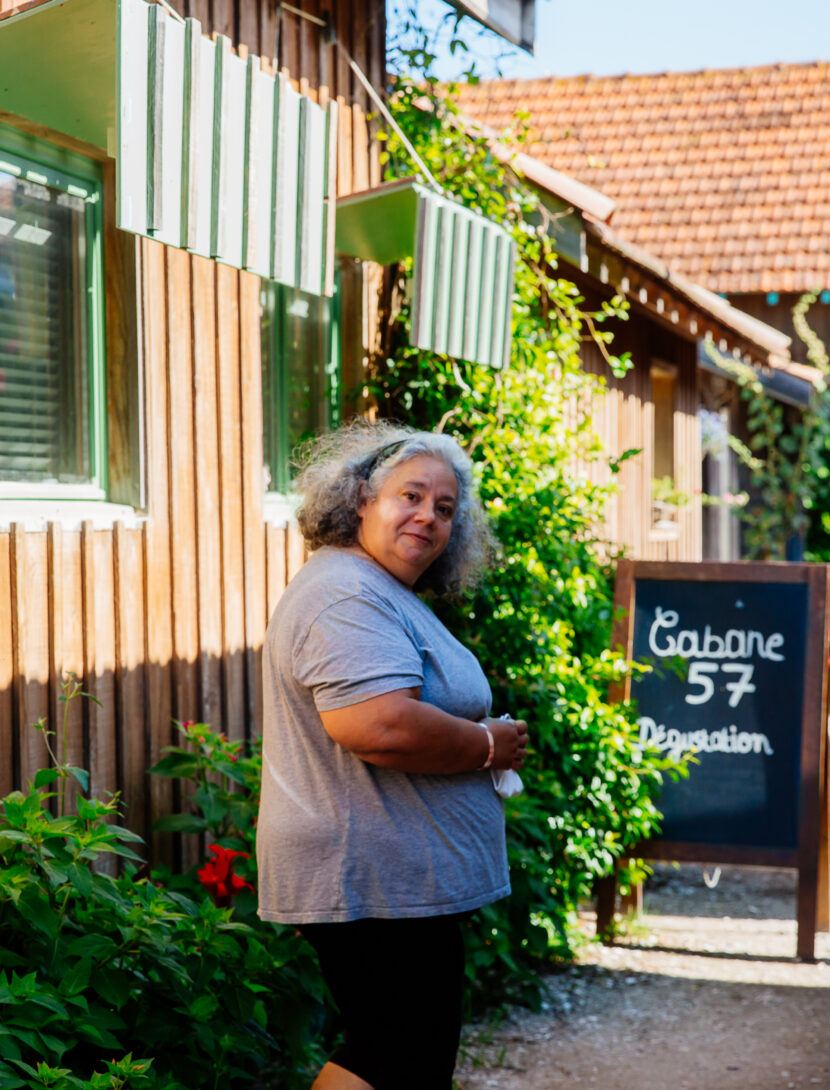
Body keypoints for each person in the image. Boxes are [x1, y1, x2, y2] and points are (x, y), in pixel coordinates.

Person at [257, 421, 528, 1090]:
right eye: (410, 496)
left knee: (402, 1050)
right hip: (370, 874)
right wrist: (488, 744)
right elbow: (380, 726)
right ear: (360, 501)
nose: (427, 518)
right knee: (394, 1051)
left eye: (443, 508)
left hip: (393, 875)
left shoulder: (373, 588)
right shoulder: (344, 592)